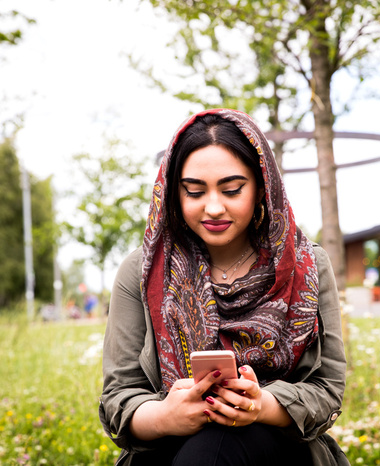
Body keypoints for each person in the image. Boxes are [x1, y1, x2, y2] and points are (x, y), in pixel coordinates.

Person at [98, 109, 348, 465]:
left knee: (218, 445)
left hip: (279, 450)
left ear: (262, 187)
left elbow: (327, 391)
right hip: (166, 449)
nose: (213, 207)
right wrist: (166, 416)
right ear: (174, 193)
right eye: (195, 192)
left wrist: (262, 406)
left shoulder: (307, 266)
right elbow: (119, 399)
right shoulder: (142, 271)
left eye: (232, 190)